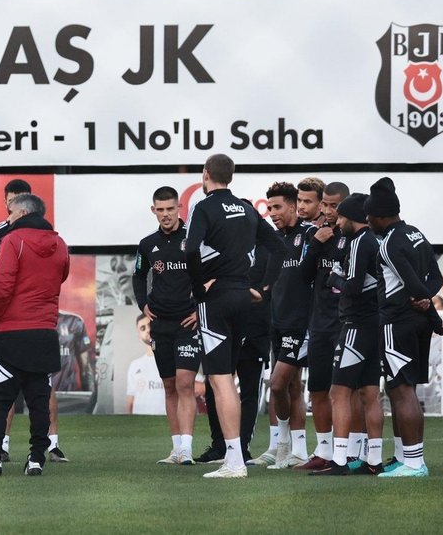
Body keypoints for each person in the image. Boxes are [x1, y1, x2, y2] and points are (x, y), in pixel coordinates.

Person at [184, 154, 285, 479]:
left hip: (217, 299)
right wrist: (262, 287)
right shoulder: (246, 209)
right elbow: (279, 247)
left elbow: (190, 249)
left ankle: (234, 461)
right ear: (231, 175)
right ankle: (235, 455)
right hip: (244, 299)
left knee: (221, 379)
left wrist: (199, 288)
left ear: (205, 174)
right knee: (227, 379)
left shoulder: (204, 207)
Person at [0, 194, 68, 477]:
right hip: (45, 332)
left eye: (10, 213)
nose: (7, 218)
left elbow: (2, 286)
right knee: (39, 401)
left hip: (11, 332)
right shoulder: (60, 244)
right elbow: (61, 277)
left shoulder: (12, 241)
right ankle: (36, 459)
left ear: (21, 213)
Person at [365, 177, 443, 478]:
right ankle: (403, 457)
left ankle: (413, 463)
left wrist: (424, 302)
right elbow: (436, 277)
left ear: (380, 215)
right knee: (403, 388)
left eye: (369, 216)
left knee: (401, 390)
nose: (368, 221)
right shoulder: (416, 233)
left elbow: (412, 283)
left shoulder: (388, 245)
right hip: (418, 321)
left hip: (397, 321)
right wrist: (429, 306)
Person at [311, 194, 386, 476]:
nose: (338, 221)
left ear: (352, 217)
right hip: (374, 324)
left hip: (356, 325)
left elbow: (353, 287)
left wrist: (334, 277)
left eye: (341, 216)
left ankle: (340, 460)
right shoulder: (374, 241)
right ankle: (374, 460)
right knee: (369, 393)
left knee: (339, 392)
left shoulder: (358, 242)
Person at [133, 186, 200, 465]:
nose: (165, 215)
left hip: (187, 323)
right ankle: (176, 448)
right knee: (170, 385)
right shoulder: (147, 244)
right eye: (160, 210)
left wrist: (199, 309)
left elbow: (212, 275)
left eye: (170, 209)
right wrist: (143, 305)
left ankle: (187, 449)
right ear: (153, 211)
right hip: (160, 324)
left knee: (185, 383)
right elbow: (138, 276)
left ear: (179, 208)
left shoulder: (194, 239)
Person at [294, 180, 350, 470]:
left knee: (346, 391)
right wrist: (316, 244)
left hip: (346, 324)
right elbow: (303, 277)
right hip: (319, 324)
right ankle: (324, 451)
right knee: (317, 388)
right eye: (325, 205)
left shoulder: (354, 237)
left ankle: (353, 451)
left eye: (333, 205)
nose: (328, 211)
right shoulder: (314, 236)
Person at [263, 181, 314, 470]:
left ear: (293, 206)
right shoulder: (273, 240)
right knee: (292, 386)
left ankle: (283, 445)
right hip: (277, 321)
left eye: (278, 207)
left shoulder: (309, 235)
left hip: (300, 324)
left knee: (277, 383)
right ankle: (297, 451)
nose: (272, 213)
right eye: (269, 207)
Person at [126, 315, 165, 415]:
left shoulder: (174, 359)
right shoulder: (134, 365)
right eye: (143, 328)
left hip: (166, 420)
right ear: (139, 336)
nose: (148, 330)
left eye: (150, 325)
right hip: (140, 421)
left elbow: (199, 387)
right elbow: (130, 401)